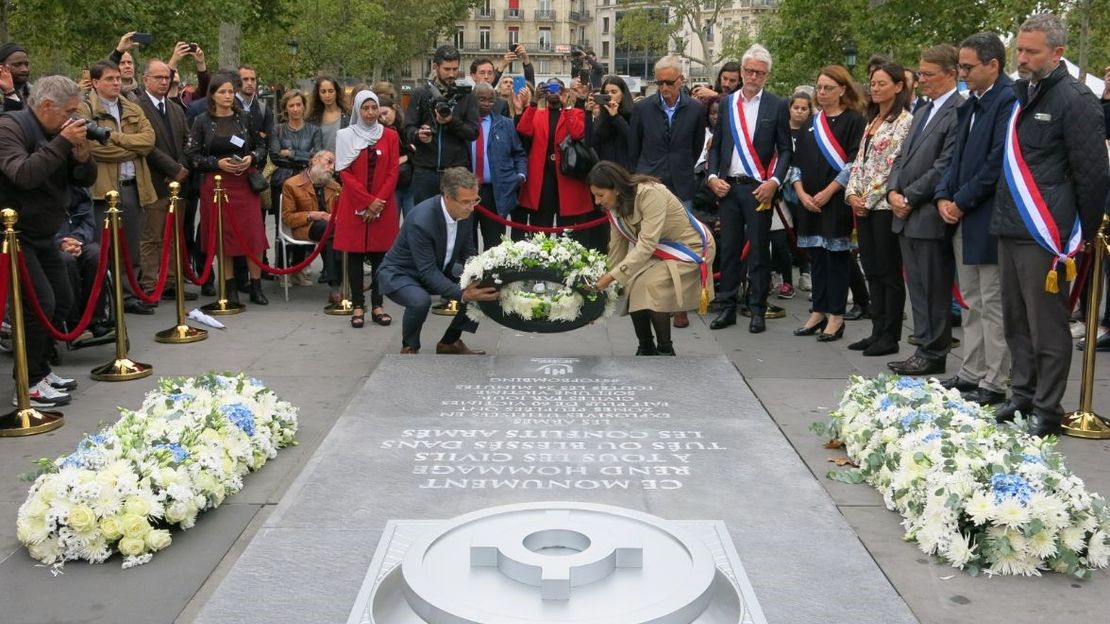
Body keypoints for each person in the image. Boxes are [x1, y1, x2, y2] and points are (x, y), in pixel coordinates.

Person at [989, 14, 1109, 437]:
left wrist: (1082, 233)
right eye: (1019, 49)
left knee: (1047, 325)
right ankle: (1021, 394)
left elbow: (1092, 174)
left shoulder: (1075, 100)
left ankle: (1047, 408)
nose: (1021, 58)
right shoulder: (1023, 94)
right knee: (1015, 320)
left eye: (1031, 51)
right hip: (1012, 223)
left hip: (1048, 232)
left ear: (1057, 53)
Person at [0, 76, 96, 407]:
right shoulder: (10, 128)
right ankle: (25, 385)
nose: (74, 118)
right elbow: (23, 174)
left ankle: (40, 371)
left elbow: (84, 182)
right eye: (69, 111)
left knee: (62, 298)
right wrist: (62, 143)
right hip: (15, 237)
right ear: (45, 107)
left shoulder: (58, 133)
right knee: (38, 303)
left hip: (46, 233)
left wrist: (82, 156)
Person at [932, 33, 1015, 406]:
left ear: (992, 65)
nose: (962, 73)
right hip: (962, 213)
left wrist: (961, 200)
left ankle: (995, 380)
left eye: (967, 67)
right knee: (970, 299)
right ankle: (971, 370)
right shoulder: (971, 103)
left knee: (992, 301)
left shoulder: (1007, 101)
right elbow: (955, 158)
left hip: (988, 216)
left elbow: (996, 161)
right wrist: (944, 196)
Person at [886, 45, 965, 376]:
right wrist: (892, 190)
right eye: (920, 73)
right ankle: (923, 346)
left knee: (934, 288)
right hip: (905, 212)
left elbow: (945, 165)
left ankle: (934, 351)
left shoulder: (958, 111)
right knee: (917, 287)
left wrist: (910, 197)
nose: (921, 80)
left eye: (928, 74)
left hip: (928, 213)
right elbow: (901, 157)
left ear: (951, 74)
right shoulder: (922, 111)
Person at [706, 44, 792, 334]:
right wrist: (712, 177)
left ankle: (757, 309)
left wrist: (774, 182)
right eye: (750, 71)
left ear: (767, 75)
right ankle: (727, 307)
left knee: (758, 251)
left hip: (759, 189)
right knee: (729, 249)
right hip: (728, 188)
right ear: (741, 72)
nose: (754, 76)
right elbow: (716, 146)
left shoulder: (778, 105)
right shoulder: (727, 103)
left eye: (760, 73)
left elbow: (785, 150)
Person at [588, 161, 715, 356]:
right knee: (631, 283)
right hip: (658, 249)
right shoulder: (615, 205)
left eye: (600, 195)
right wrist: (605, 286)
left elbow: (646, 244)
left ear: (617, 189)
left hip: (690, 247)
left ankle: (665, 349)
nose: (597, 201)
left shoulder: (649, 194)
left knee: (650, 285)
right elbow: (616, 249)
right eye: (594, 195)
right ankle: (645, 347)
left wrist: (611, 277)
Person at [377, 168, 500, 354]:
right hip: (401, 273)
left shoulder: (466, 212)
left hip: (440, 267)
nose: (471, 207)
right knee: (420, 301)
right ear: (447, 197)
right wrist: (464, 294)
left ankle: (449, 342)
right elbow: (427, 272)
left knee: (483, 287)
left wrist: (480, 277)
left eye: (475, 200)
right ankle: (409, 347)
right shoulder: (422, 219)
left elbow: (469, 254)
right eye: (465, 202)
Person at [789, 65, 866, 342]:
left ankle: (836, 315)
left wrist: (829, 191)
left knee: (836, 258)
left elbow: (853, 162)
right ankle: (817, 310)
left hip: (835, 200)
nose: (821, 93)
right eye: (819, 88)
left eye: (828, 88)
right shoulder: (811, 121)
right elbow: (796, 162)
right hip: (808, 201)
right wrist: (800, 192)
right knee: (816, 258)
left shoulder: (855, 120)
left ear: (842, 90)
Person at [844, 62, 913, 357]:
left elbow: (892, 166)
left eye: (882, 83)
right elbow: (860, 162)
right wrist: (852, 195)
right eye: (872, 83)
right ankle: (876, 330)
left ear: (898, 87)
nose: (875, 88)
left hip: (884, 206)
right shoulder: (872, 120)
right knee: (871, 269)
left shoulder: (905, 122)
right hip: (864, 206)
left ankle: (890, 335)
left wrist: (867, 200)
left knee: (888, 272)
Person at [185, 71, 270, 306]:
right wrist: (216, 163)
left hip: (245, 184)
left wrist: (251, 158)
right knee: (225, 237)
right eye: (222, 92)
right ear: (212, 95)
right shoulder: (202, 121)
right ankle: (230, 286)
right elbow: (192, 155)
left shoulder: (244, 117)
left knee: (253, 236)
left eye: (231, 91)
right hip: (216, 186)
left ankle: (256, 286)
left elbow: (262, 147)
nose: (227, 96)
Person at [80, 59, 157, 315]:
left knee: (131, 246)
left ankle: (129, 294)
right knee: (101, 249)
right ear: (95, 82)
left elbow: (147, 142)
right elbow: (92, 148)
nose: (116, 83)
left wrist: (113, 138)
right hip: (101, 190)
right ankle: (101, 301)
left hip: (133, 185)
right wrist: (129, 149)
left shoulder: (131, 107)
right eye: (110, 79)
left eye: (117, 79)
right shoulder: (84, 108)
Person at [334, 91, 401, 328]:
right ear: (357, 110)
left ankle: (378, 304)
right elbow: (344, 172)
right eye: (366, 108)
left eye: (374, 108)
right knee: (354, 255)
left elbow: (393, 171)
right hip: (354, 204)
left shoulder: (390, 136)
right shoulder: (345, 136)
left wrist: (378, 202)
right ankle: (358, 305)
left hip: (383, 205)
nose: (371, 113)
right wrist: (365, 201)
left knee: (380, 256)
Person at [136, 58, 196, 303]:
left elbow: (186, 141)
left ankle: (171, 281)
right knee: (152, 236)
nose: (164, 81)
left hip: (178, 183)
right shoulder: (137, 106)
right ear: (145, 79)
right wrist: (172, 168)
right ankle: (150, 284)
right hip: (154, 180)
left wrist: (182, 168)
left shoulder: (174, 108)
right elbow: (145, 145)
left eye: (166, 78)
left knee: (174, 235)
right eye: (158, 77)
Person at [514, 78, 596, 247]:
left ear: (563, 92)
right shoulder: (537, 113)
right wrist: (534, 101)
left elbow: (577, 133)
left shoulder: (572, 113)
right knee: (540, 227)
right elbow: (523, 129)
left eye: (557, 89)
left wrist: (566, 107)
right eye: (549, 89)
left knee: (567, 230)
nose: (553, 93)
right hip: (543, 179)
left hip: (567, 177)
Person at [404, 45, 479, 203]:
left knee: (459, 224)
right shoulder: (420, 94)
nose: (451, 74)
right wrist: (419, 135)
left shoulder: (467, 96)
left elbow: (473, 132)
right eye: (447, 69)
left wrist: (451, 121)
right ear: (435, 67)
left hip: (457, 172)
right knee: (425, 224)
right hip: (425, 172)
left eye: (455, 69)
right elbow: (407, 129)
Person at [629, 56, 706, 210]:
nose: (664, 88)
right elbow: (633, 148)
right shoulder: (642, 108)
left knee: (682, 232)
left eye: (669, 83)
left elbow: (697, 146)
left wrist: (682, 164)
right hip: (649, 182)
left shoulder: (696, 109)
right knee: (651, 233)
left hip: (682, 184)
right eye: (659, 83)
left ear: (681, 80)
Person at [270, 89, 323, 282]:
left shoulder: (314, 130)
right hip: (282, 182)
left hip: (306, 183)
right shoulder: (277, 129)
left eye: (299, 104)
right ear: (285, 108)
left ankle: (298, 269)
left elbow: (316, 156)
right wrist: (302, 156)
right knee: (282, 226)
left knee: (304, 223)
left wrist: (290, 153)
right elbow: (275, 156)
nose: (295, 109)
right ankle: (282, 269)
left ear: (304, 106)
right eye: (291, 105)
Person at [469, 82, 526, 250]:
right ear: (473, 99)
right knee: (467, 242)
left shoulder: (506, 124)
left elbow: (519, 153)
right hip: (467, 190)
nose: (486, 104)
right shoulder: (463, 123)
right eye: (481, 99)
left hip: (495, 190)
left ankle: (492, 277)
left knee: (494, 244)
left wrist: (521, 175)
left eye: (490, 100)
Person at [282, 150, 340, 303]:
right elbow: (287, 218)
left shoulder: (334, 186)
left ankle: (335, 285)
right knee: (329, 229)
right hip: (305, 227)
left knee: (332, 233)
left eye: (334, 164)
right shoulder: (292, 184)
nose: (332, 167)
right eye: (329, 161)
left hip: (330, 229)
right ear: (315, 160)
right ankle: (340, 282)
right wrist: (313, 215)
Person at [56, 188, 112, 342]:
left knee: (96, 255)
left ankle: (95, 319)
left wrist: (76, 240)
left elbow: (88, 222)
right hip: (51, 243)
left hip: (78, 240)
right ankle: (73, 322)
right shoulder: (41, 189)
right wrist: (61, 242)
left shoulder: (80, 190)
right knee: (67, 262)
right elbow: (38, 225)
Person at [785, 91, 814, 294]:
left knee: (804, 231)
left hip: (805, 187)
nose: (800, 112)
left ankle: (806, 272)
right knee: (785, 233)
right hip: (783, 188)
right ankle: (781, 273)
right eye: (796, 108)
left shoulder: (812, 131)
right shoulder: (783, 131)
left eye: (804, 108)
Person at [586, 75, 634, 171]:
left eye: (614, 92)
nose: (610, 95)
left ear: (623, 94)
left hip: (626, 172)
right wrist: (588, 113)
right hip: (606, 171)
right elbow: (590, 142)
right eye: (606, 93)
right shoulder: (602, 118)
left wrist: (616, 117)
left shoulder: (633, 114)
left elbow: (633, 139)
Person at [379, 95, 415, 219]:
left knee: (411, 222)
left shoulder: (407, 127)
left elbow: (417, 150)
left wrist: (407, 157)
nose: (383, 118)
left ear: (394, 108)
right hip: (392, 184)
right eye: (379, 116)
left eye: (385, 113)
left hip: (410, 181)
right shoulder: (380, 131)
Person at [306, 75, 349, 154]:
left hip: (343, 163)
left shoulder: (347, 116)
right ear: (318, 94)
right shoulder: (312, 119)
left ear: (336, 92)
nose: (327, 95)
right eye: (323, 92)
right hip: (321, 164)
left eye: (331, 91)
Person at [0, 43, 31, 111]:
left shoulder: (34, 92)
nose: (24, 69)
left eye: (26, 64)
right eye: (17, 65)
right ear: (1, 67)